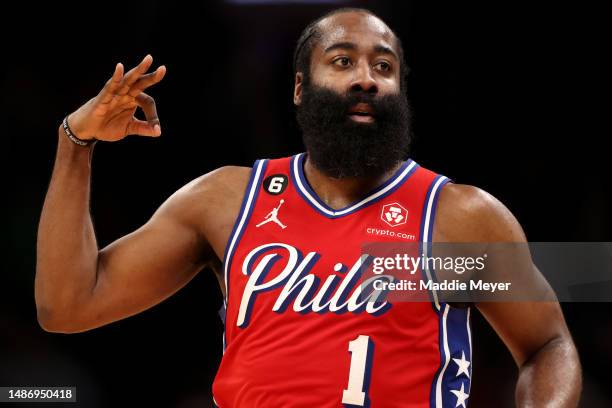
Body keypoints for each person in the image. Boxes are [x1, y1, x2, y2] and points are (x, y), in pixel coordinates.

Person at [35, 7, 581, 408]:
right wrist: (74, 144)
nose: (367, 76)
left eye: (384, 67)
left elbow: (548, 344)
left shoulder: (459, 218)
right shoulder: (227, 202)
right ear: (301, 88)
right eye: (342, 61)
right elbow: (67, 305)